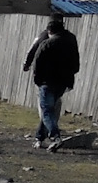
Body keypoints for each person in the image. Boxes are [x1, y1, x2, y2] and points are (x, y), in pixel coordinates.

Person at [22, 15, 80, 146]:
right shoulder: (71, 39)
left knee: (46, 110)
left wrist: (34, 75)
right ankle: (40, 137)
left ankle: (55, 137)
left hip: (47, 82)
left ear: (50, 30)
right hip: (63, 82)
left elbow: (35, 56)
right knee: (50, 109)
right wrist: (70, 77)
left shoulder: (45, 41)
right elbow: (76, 63)